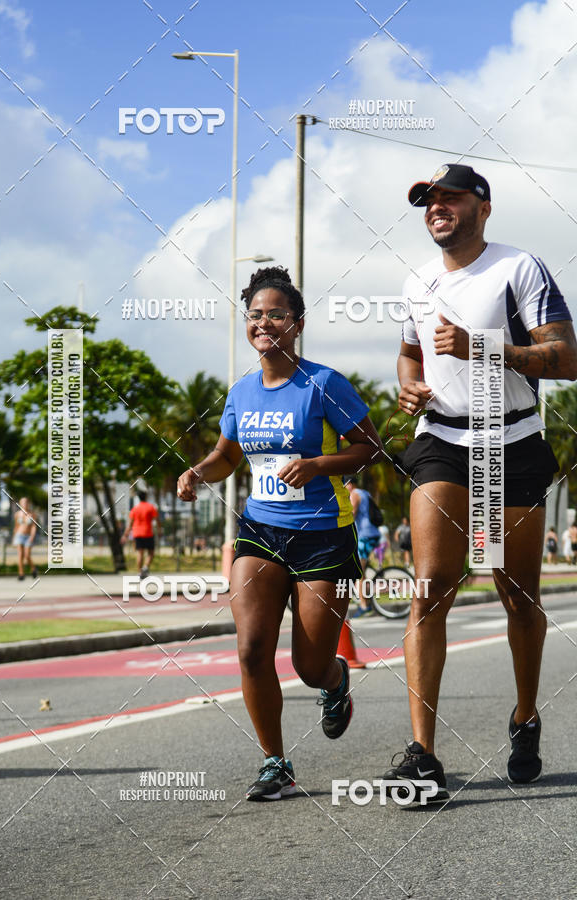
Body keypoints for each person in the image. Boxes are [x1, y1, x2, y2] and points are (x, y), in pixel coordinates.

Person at [386, 163, 577, 799]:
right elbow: (409, 352)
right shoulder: (416, 280)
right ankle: (422, 754)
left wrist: (484, 347)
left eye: (449, 198)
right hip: (441, 442)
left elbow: (567, 358)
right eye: (427, 201)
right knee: (430, 589)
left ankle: (525, 716)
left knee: (516, 595)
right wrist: (409, 385)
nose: (436, 208)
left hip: (510, 442)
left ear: (483, 206)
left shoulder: (520, 268)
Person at [177, 266, 382, 801]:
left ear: (298, 324)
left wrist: (317, 466)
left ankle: (335, 680)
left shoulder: (324, 384)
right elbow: (227, 456)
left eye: (276, 314)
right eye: (255, 314)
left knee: (308, 666)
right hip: (260, 530)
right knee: (251, 649)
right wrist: (197, 472)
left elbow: (370, 448)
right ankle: (275, 763)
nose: (263, 323)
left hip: (323, 535)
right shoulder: (241, 392)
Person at [344, 477, 382, 616]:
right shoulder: (366, 493)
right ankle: (365, 600)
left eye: (345, 484)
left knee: (358, 571)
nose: (344, 488)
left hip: (364, 536)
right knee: (361, 570)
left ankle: (364, 606)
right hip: (373, 533)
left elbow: (351, 514)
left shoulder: (355, 494)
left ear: (350, 484)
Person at [121, 490, 159, 578]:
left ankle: (139, 571)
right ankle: (145, 567)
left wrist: (125, 535)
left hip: (137, 533)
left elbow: (130, 524)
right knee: (151, 552)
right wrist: (159, 530)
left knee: (139, 553)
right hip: (148, 533)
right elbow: (157, 520)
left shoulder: (135, 509)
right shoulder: (150, 507)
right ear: (146, 497)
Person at [13, 498, 38, 580]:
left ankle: (33, 568)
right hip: (19, 535)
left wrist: (32, 536)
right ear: (20, 504)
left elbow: (34, 527)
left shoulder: (32, 514)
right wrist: (14, 537)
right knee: (20, 555)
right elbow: (16, 526)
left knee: (27, 555)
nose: (24, 504)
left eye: (26, 502)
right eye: (23, 502)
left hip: (28, 536)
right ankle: (21, 574)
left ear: (28, 503)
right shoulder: (17, 514)